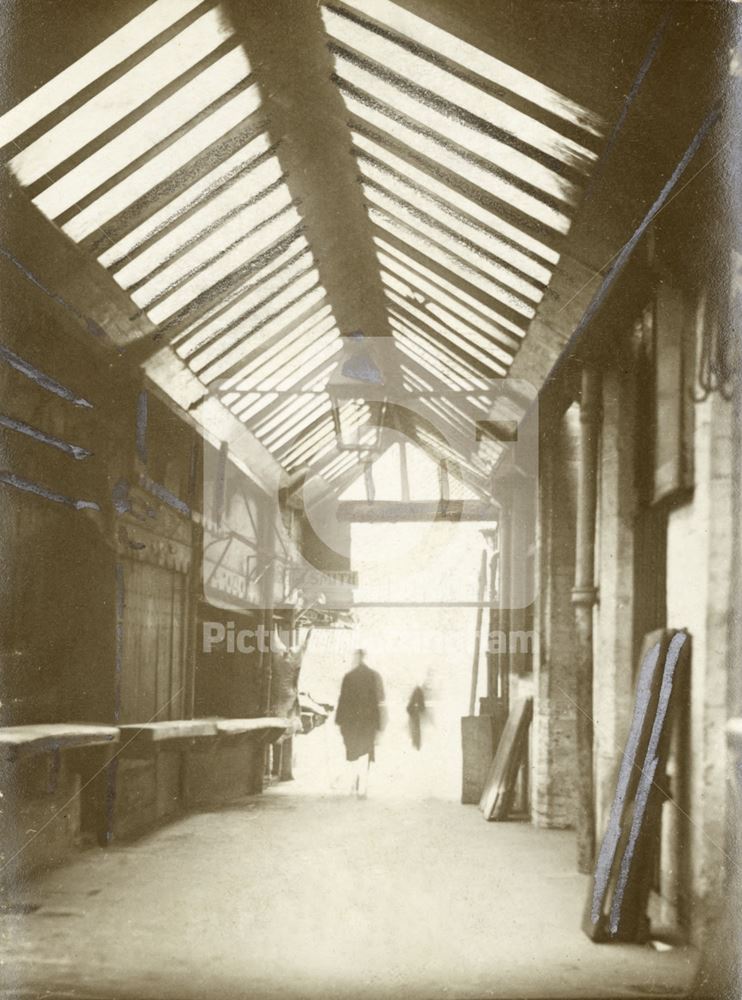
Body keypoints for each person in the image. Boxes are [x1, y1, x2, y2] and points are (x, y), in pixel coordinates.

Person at [335, 649, 385, 798]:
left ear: (357, 658)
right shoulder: (375, 676)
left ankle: (355, 783)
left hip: (351, 722)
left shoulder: (349, 677)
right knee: (366, 752)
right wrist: (379, 725)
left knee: (353, 753)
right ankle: (363, 786)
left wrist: (339, 721)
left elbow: (343, 699)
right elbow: (380, 698)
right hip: (368, 722)